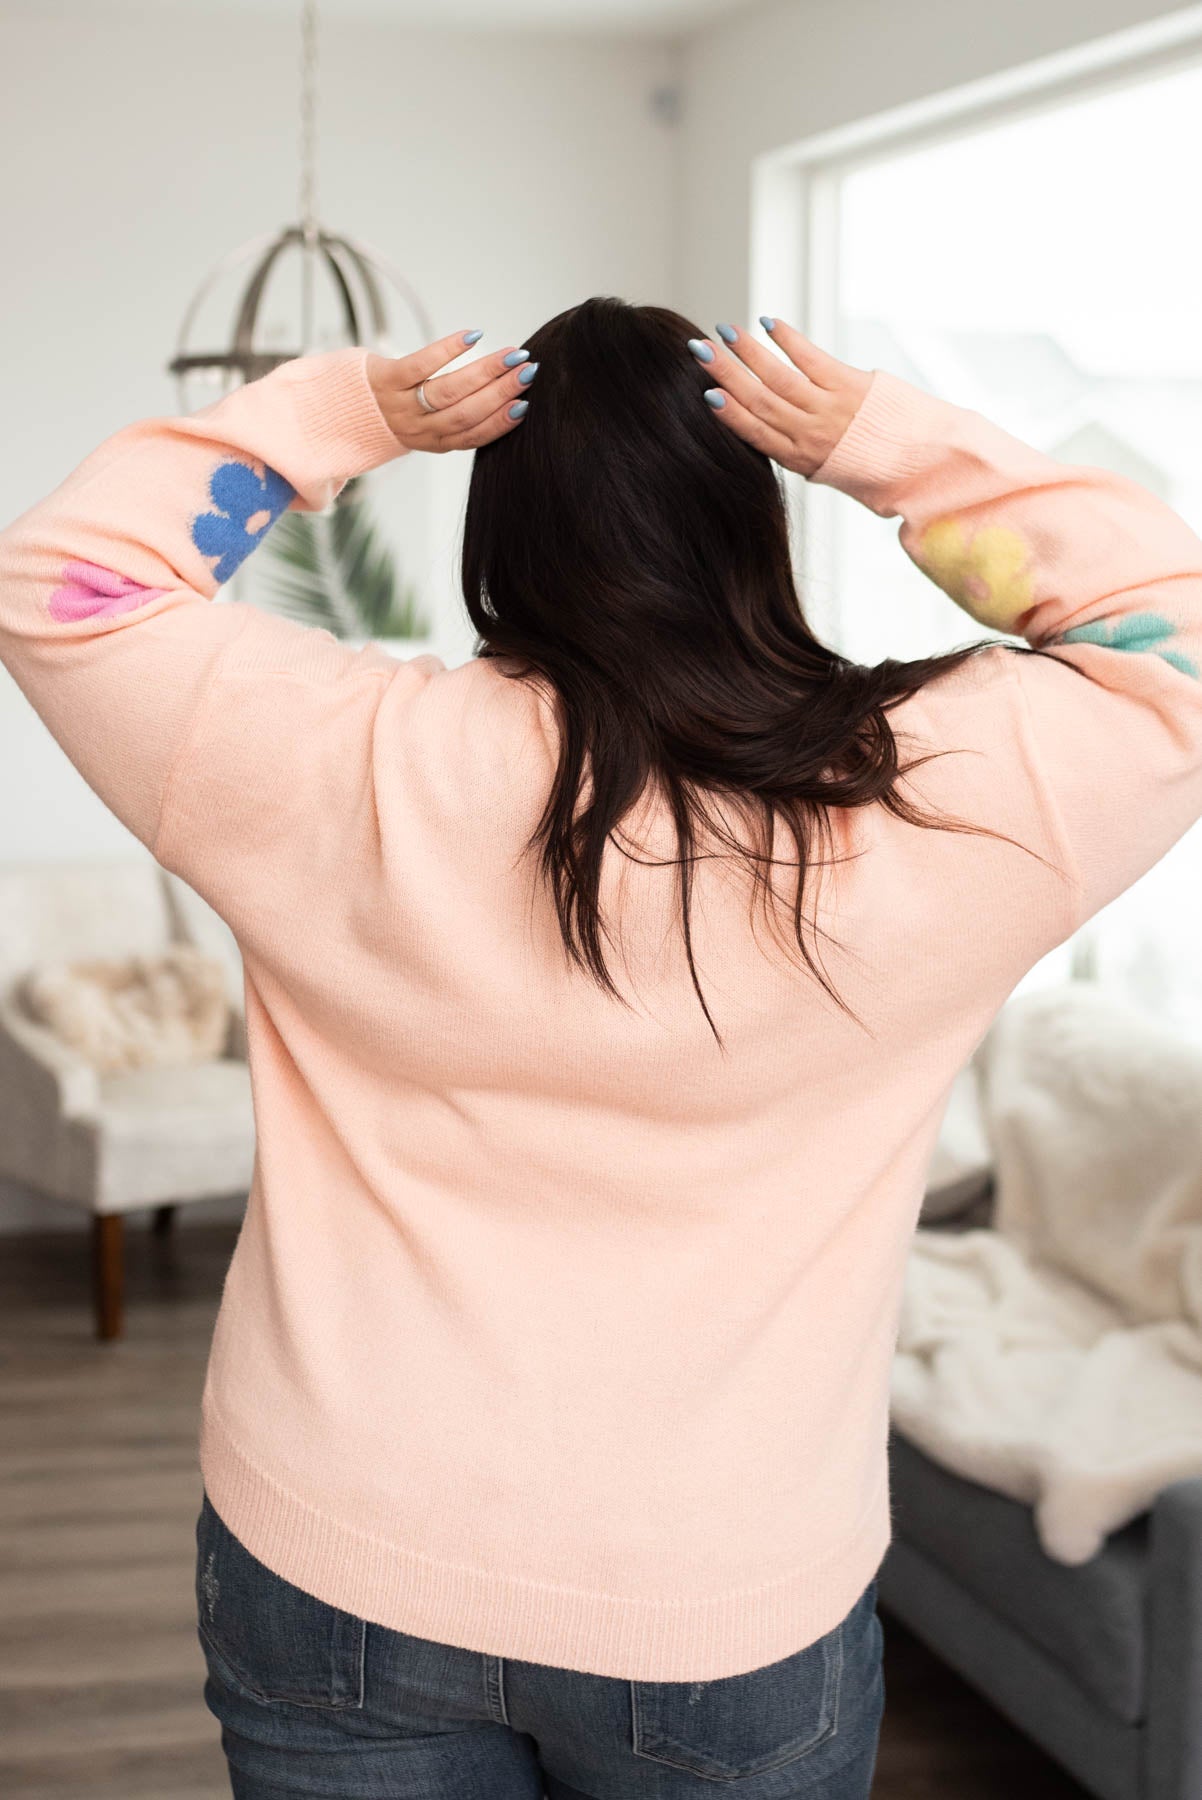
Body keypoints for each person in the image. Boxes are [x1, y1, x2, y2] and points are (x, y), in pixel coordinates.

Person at [3, 296, 1200, 1800]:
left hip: (341, 1545)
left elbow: (66, 583)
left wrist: (350, 416)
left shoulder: (332, 755)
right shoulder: (936, 800)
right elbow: (1177, 632)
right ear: (747, 511)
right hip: (721, 1586)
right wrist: (887, 447)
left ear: (497, 530)